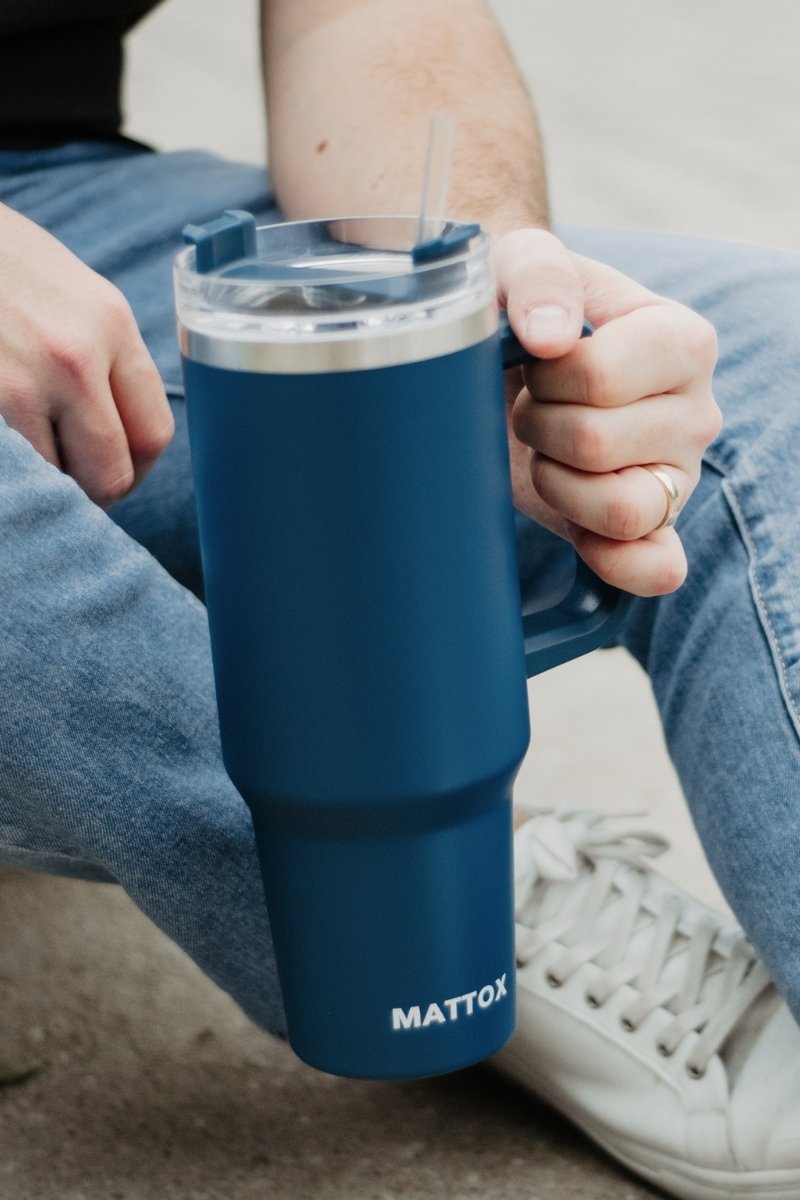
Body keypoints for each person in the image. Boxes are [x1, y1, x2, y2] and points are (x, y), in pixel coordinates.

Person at [1, 1, 798, 1196]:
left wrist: (487, 288)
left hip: (71, 218)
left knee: (769, 368)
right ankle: (422, 911)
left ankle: (419, 885)